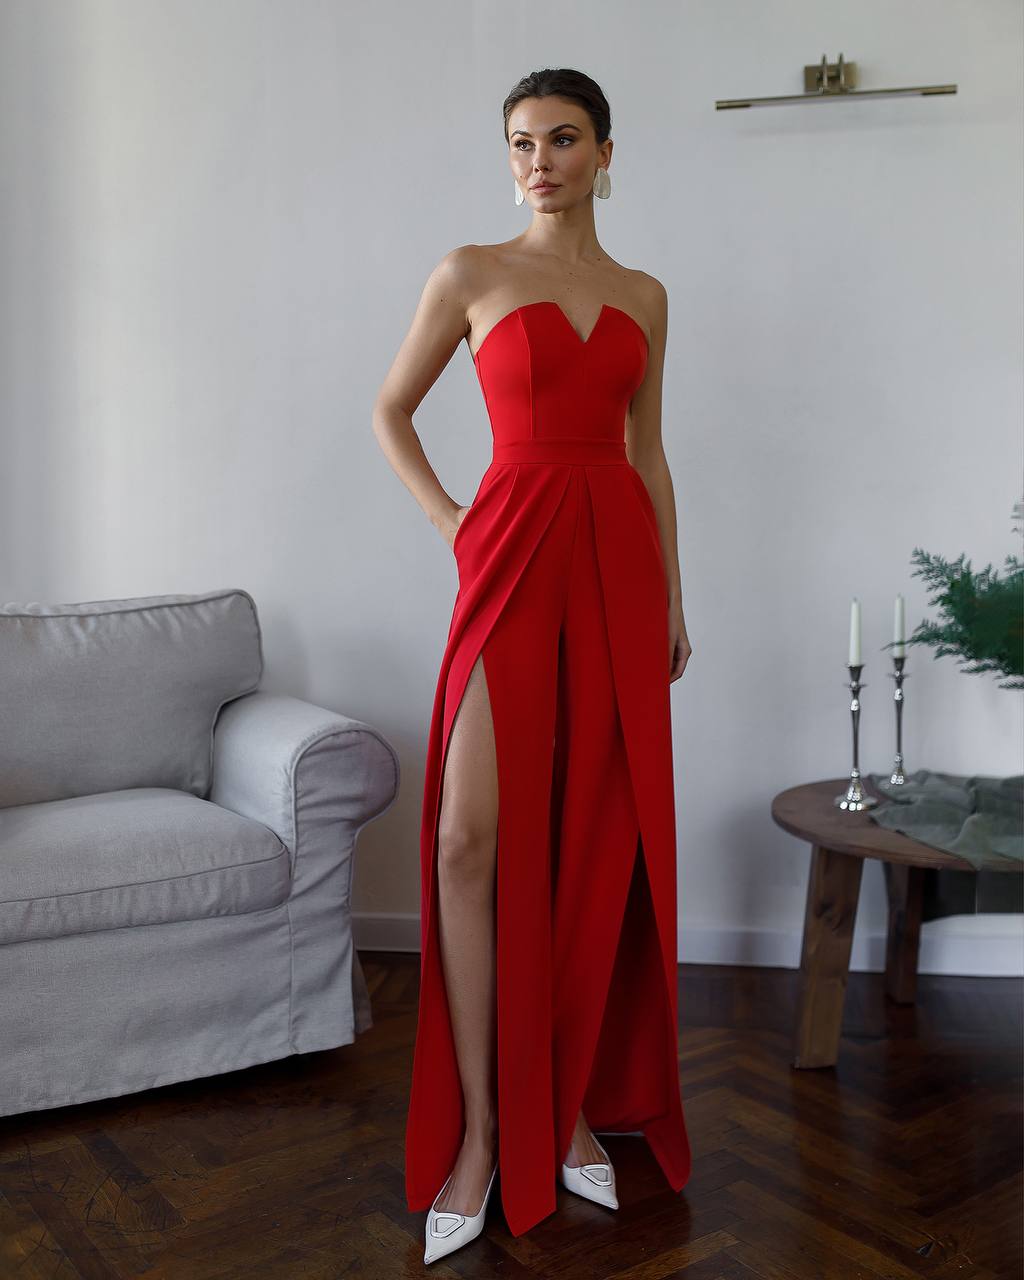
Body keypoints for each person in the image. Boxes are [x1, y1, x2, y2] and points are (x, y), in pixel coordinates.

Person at [372, 66, 693, 1265]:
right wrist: (455, 521)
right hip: (507, 554)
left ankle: (560, 1108)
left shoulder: (645, 295)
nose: (539, 160)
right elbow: (390, 411)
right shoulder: (468, 272)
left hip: (614, 564)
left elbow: (647, 453)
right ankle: (479, 1129)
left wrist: (673, 593)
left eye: (562, 138)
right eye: (520, 142)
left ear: (605, 151)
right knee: (469, 836)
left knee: (591, 836)